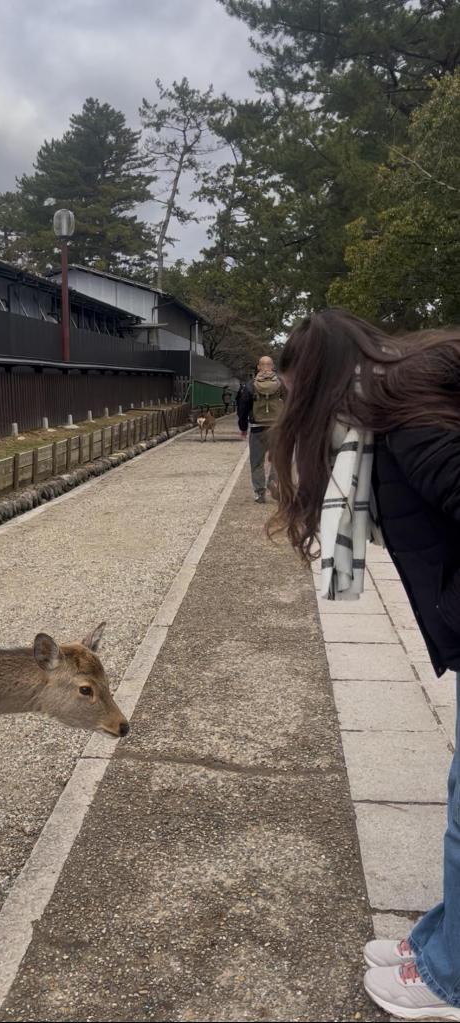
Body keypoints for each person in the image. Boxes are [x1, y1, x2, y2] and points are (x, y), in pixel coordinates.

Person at [270, 307, 460, 1022]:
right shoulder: (390, 409)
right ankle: (442, 943)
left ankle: (447, 980)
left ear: (314, 382)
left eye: (293, 395)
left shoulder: (407, 426)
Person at [238, 356, 282, 503]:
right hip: (277, 427)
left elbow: (242, 408)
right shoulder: (281, 384)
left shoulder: (250, 385)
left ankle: (259, 492)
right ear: (273, 366)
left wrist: (243, 427)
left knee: (257, 462)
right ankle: (273, 482)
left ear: (258, 367)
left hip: (257, 429)